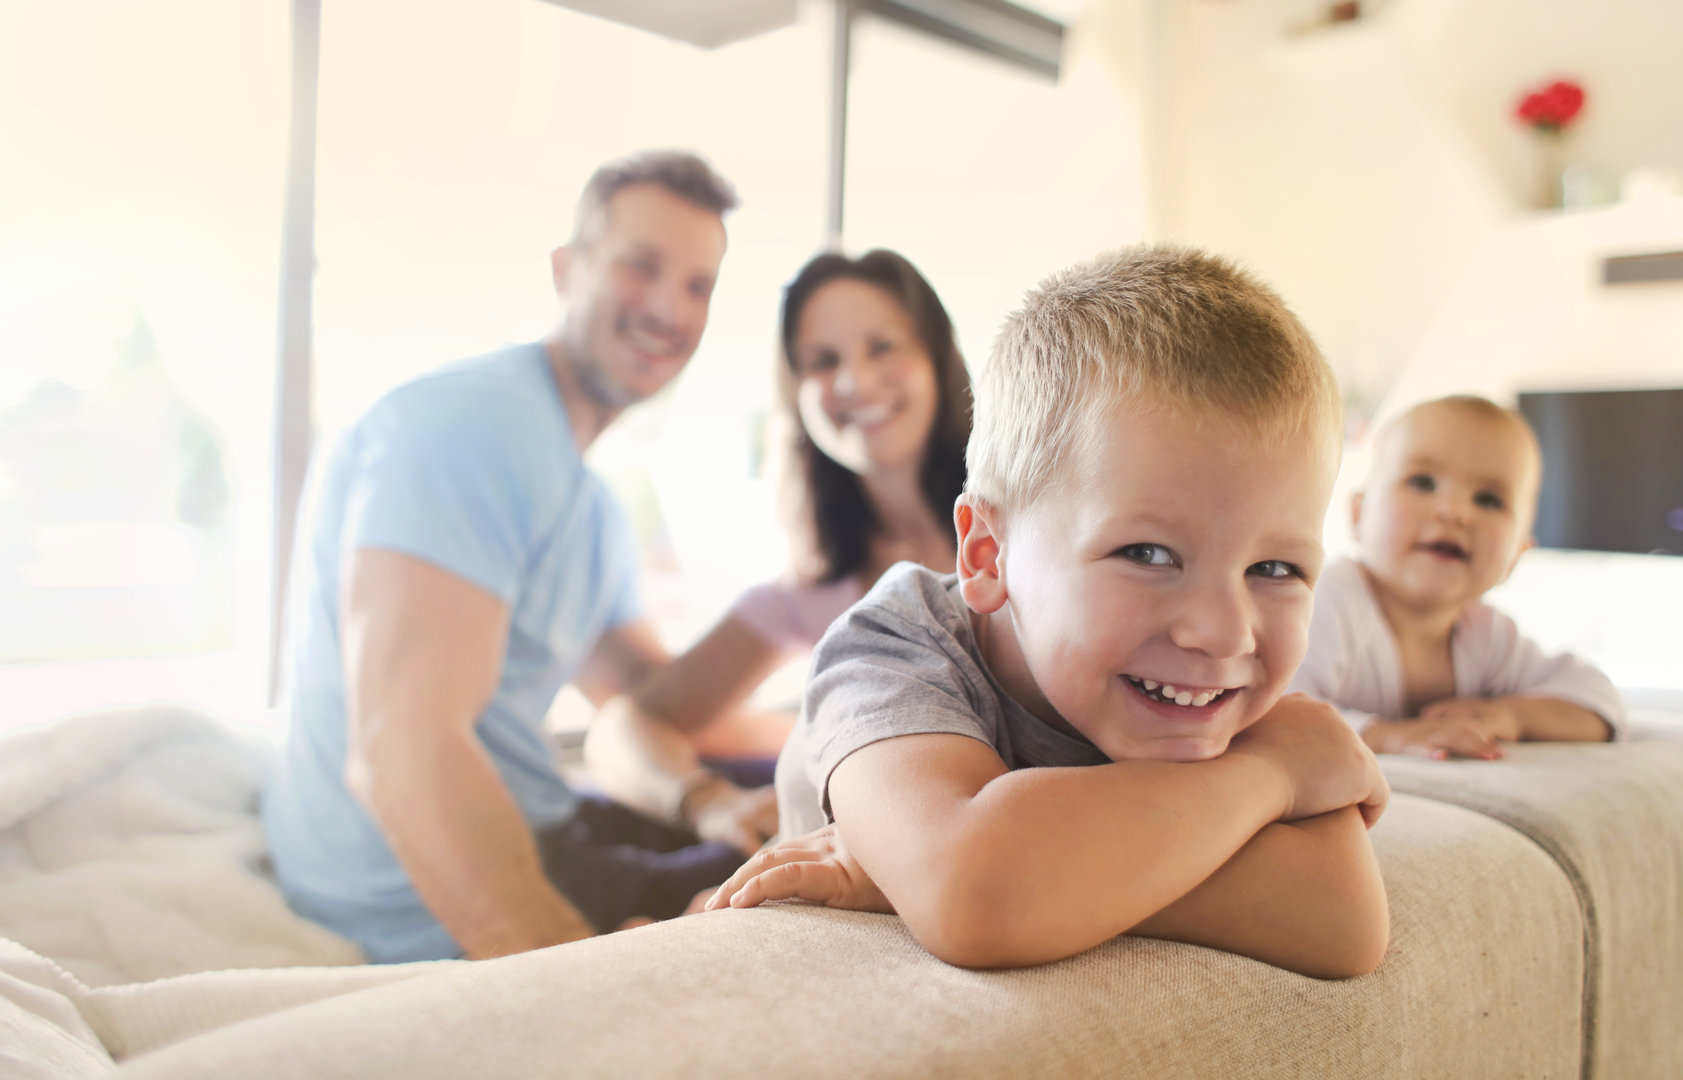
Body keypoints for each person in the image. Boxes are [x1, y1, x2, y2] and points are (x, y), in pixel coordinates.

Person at [705, 245, 1392, 977]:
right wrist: (1270, 782)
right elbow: (974, 893)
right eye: (1148, 555)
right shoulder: (892, 649)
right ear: (986, 557)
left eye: (1275, 568)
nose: (1225, 633)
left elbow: (1339, 921)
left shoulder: (1204, 696)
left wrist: (1004, 877)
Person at [263, 150, 775, 964]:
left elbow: (644, 698)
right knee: (829, 881)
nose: (669, 308)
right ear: (566, 269)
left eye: (697, 285)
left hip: (548, 822)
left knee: (812, 808)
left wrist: (801, 615)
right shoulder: (472, 428)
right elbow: (402, 747)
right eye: (640, 266)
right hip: (406, 890)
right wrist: (565, 979)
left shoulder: (587, 498)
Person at [582, 250, 971, 834]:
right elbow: (621, 730)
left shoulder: (1033, 528)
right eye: (822, 360)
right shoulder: (809, 592)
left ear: (936, 357)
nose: (853, 381)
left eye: (882, 346)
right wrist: (706, 800)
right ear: (795, 391)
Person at [1288, 394, 1624, 761]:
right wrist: (1384, 735)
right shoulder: (1327, 604)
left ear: (1516, 555)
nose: (1454, 512)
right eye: (1422, 482)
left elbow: (1599, 703)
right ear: (1358, 514)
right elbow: (1274, 712)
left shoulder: (1487, 634)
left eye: (1488, 500)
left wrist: (1512, 715)